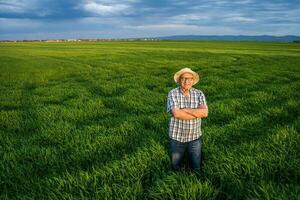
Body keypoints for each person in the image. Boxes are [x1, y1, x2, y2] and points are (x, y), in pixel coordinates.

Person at [167, 68, 208, 171]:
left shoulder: (199, 94)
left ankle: (195, 179)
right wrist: (196, 113)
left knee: (196, 165)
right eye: (184, 78)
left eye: (189, 79)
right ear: (179, 80)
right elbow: (176, 113)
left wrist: (185, 110)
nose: (187, 81)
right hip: (177, 137)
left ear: (193, 81)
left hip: (194, 137)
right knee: (176, 164)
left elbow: (205, 113)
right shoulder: (172, 93)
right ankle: (176, 179)